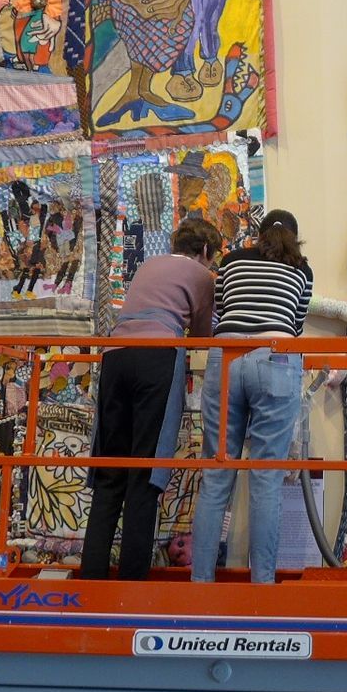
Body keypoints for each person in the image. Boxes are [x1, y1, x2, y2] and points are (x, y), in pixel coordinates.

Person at [79, 216, 222, 580]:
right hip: (157, 354)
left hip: (115, 353)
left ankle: (92, 576)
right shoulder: (204, 277)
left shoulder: (149, 264)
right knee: (144, 473)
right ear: (206, 251)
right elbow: (203, 337)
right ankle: (132, 583)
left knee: (111, 472)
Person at [189, 210, 314, 583]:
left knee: (216, 476)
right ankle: (262, 585)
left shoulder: (232, 260)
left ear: (258, 236)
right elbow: (295, 324)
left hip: (225, 358)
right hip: (274, 355)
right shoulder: (302, 269)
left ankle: (200, 586)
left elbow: (222, 312)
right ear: (294, 237)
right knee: (265, 479)